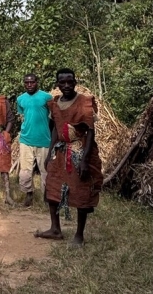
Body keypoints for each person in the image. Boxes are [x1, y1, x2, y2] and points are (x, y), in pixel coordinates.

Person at [35, 69, 103, 247]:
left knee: (80, 191)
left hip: (79, 152)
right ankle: (55, 229)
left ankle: (79, 235)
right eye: (62, 82)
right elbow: (56, 129)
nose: (66, 85)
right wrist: (50, 153)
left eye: (69, 82)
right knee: (52, 188)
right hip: (60, 151)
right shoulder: (55, 103)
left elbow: (90, 132)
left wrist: (85, 160)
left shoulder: (84, 103)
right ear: (57, 84)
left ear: (75, 82)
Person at [16, 74, 53, 207]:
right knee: (25, 170)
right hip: (26, 139)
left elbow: (53, 118)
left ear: (37, 82)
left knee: (45, 170)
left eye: (32, 82)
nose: (29, 85)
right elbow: (23, 116)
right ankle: (28, 194)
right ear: (24, 83)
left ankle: (47, 197)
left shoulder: (47, 97)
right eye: (27, 82)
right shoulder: (20, 99)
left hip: (44, 140)